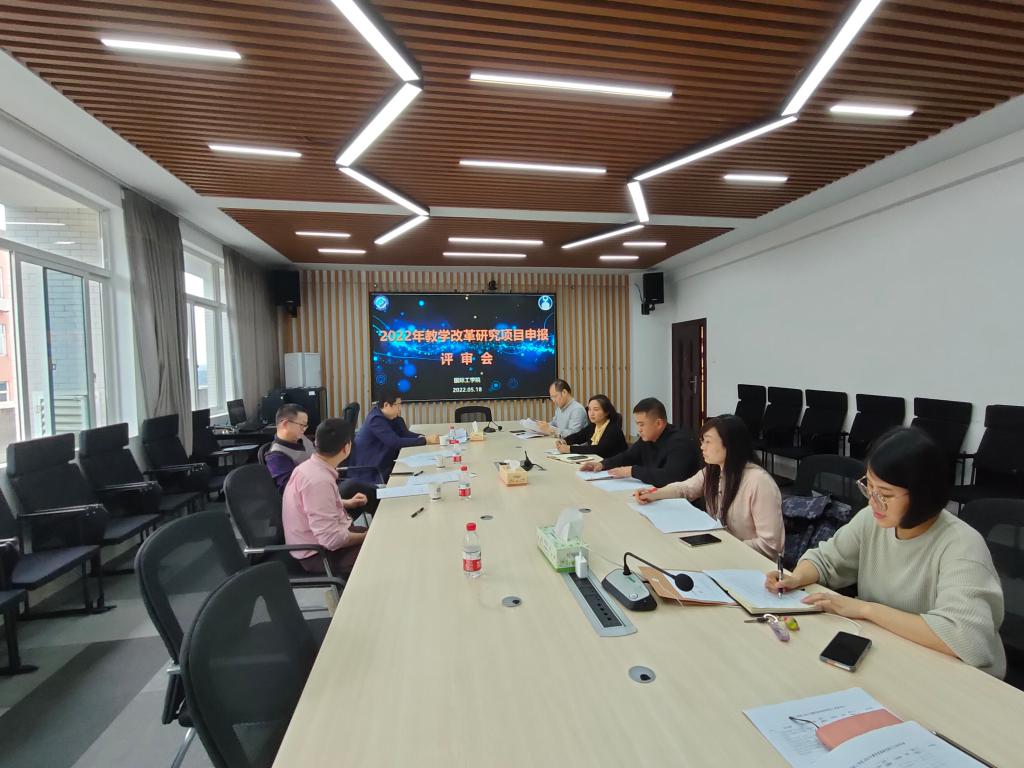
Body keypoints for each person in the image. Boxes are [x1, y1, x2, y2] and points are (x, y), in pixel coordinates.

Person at [765, 427, 1005, 678]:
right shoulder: (872, 519)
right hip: (892, 652)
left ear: (924, 495)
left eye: (885, 495)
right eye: (869, 487)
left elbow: (963, 638)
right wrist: (796, 577)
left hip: (958, 676)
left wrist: (866, 610)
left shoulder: (962, 546)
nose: (873, 501)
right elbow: (826, 559)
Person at [634, 414, 783, 558]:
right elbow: (685, 488)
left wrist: (726, 547)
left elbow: (771, 545)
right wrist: (654, 494)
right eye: (702, 441)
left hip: (751, 561)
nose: (702, 447)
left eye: (708, 442)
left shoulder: (759, 482)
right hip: (722, 551)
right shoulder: (714, 470)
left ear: (729, 444)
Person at [282, 418, 369, 577]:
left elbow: (312, 505)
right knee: (383, 552)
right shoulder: (318, 481)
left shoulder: (309, 467)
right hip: (318, 554)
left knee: (386, 537)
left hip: (325, 539)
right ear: (347, 447)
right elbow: (331, 540)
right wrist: (366, 538)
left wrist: (346, 503)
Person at [579, 398, 699, 486]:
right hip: (652, 491)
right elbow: (628, 456)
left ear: (658, 423)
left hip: (679, 501)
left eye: (642, 424)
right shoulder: (647, 438)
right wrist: (603, 464)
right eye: (637, 424)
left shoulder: (680, 442)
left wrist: (632, 471)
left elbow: (670, 476)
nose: (639, 429)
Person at [350, 389, 439, 484]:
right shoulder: (375, 420)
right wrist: (425, 440)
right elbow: (395, 442)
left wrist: (425, 437)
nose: (400, 409)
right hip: (371, 472)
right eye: (398, 405)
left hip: (385, 464)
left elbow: (404, 434)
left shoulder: (390, 417)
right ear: (386, 405)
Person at [555, 394, 628, 459]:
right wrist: (564, 440)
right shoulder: (594, 425)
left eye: (596, 410)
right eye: (589, 409)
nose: (591, 413)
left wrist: (570, 449)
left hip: (616, 466)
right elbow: (580, 436)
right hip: (598, 462)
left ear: (606, 412)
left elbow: (599, 450)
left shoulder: (613, 429)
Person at [264, 403, 314, 492]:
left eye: (305, 426)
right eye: (301, 425)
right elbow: (290, 489)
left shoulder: (300, 437)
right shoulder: (276, 456)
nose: (304, 429)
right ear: (285, 424)